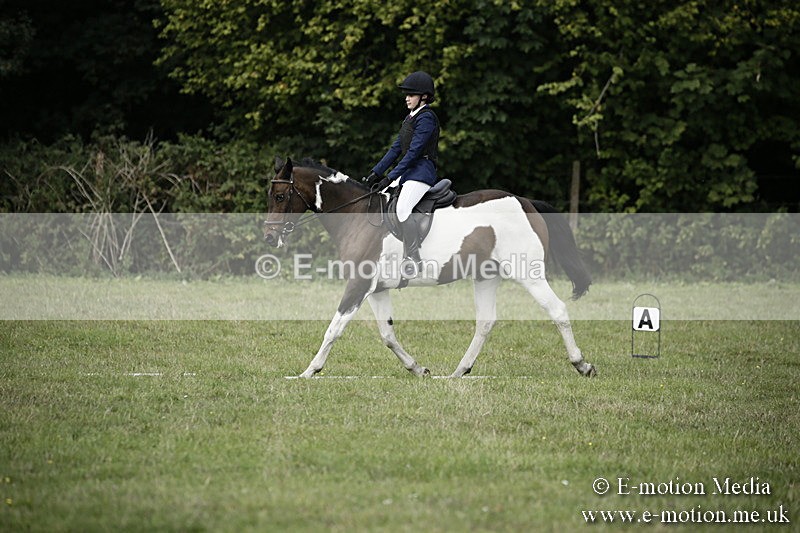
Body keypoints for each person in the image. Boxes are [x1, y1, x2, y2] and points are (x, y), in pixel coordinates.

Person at [364, 71, 440, 278]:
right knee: (380, 200)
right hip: (409, 172)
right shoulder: (410, 118)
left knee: (403, 208)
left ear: (423, 97)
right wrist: (376, 172)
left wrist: (390, 177)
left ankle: (413, 259)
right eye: (406, 94)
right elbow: (396, 149)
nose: (407, 98)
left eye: (411, 94)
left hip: (422, 172)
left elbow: (414, 153)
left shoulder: (427, 118)